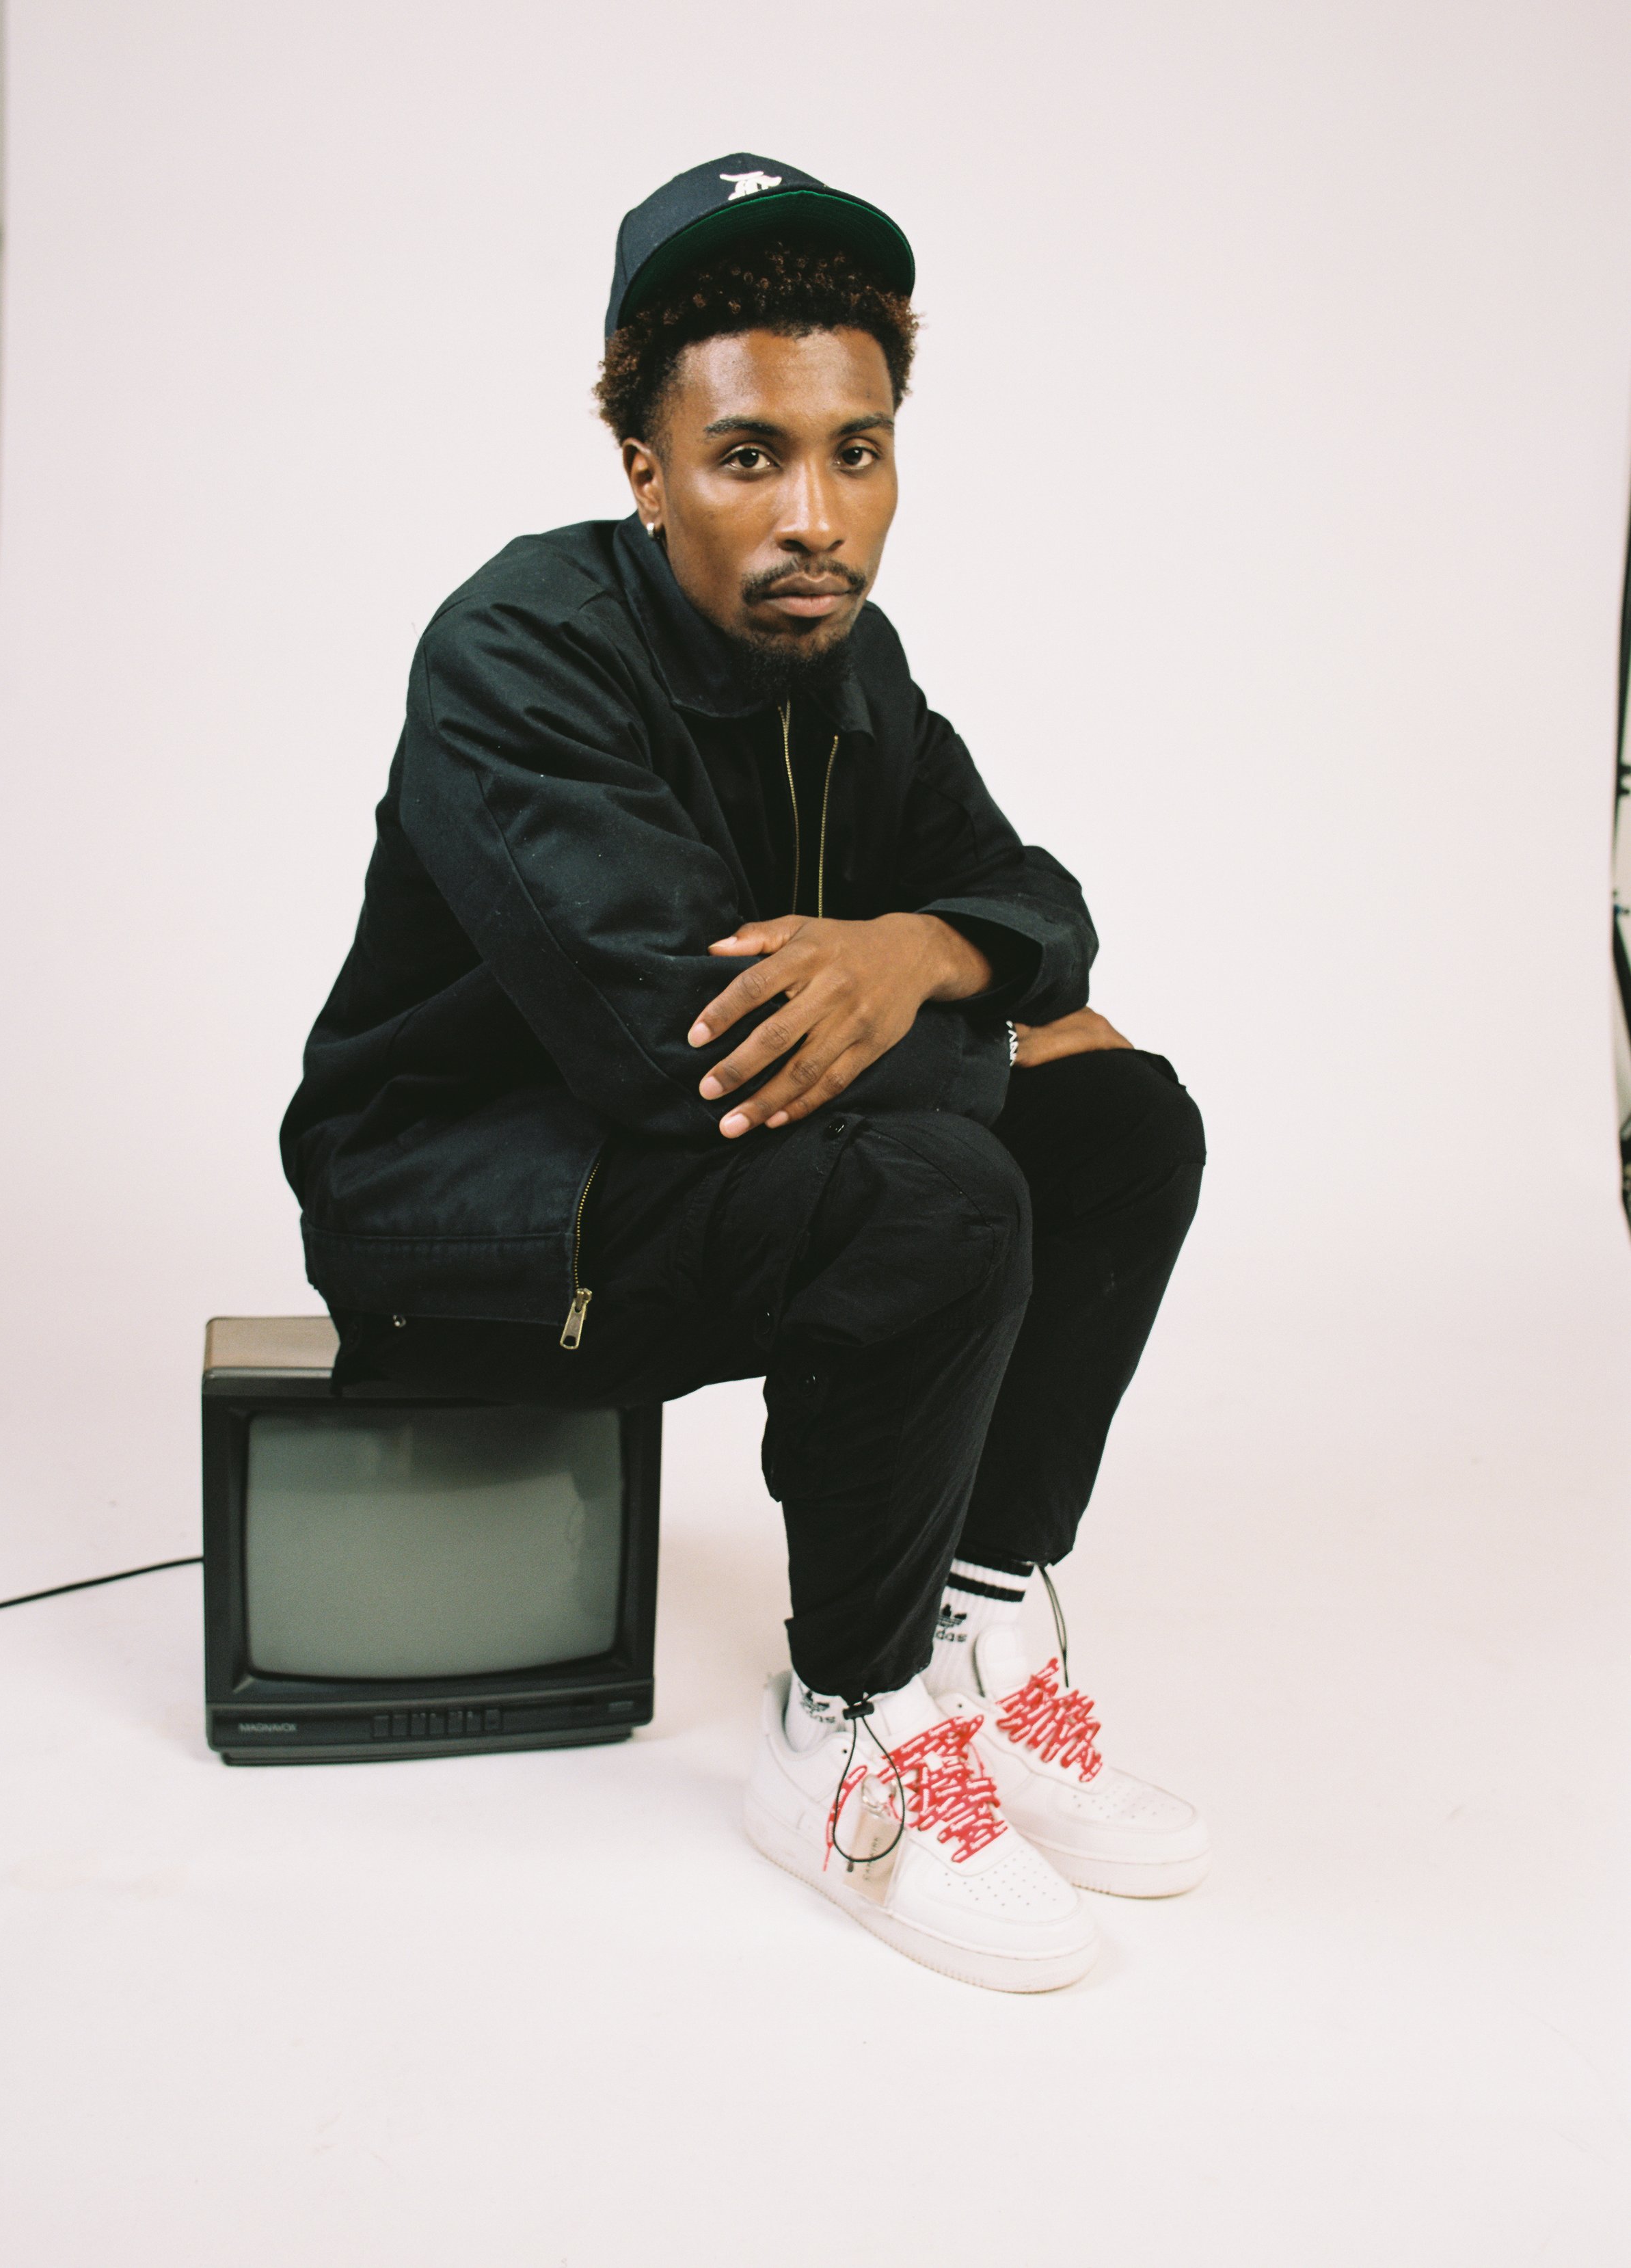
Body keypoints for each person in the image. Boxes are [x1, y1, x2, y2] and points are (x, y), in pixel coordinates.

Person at [281, 154, 1208, 1994]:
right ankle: (849, 1737)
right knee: (945, 1192)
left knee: (1119, 1122)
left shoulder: (849, 670)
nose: (815, 518)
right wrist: (988, 1019)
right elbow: (672, 1050)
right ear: (644, 470)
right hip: (465, 1215)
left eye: (854, 453)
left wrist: (926, 953)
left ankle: (973, 1634)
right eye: (749, 457)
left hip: (687, 1178)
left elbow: (1036, 903)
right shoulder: (517, 649)